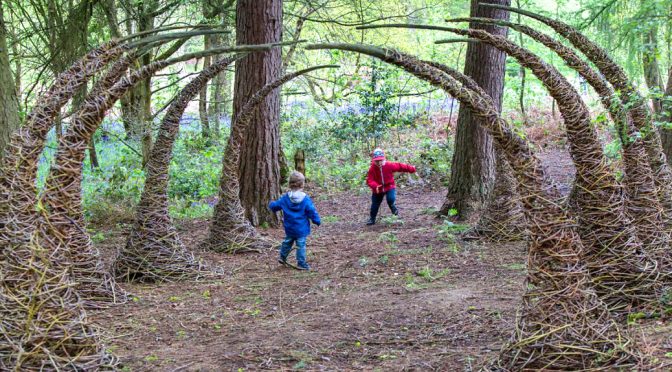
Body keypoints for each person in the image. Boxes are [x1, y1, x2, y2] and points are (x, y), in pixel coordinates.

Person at [269, 171, 321, 270]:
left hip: (290, 227)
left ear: (289, 184)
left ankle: (282, 257)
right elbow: (311, 211)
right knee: (301, 245)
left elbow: (276, 206)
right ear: (302, 184)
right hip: (301, 229)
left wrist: (271, 204)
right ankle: (301, 263)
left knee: (287, 241)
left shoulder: (285, 198)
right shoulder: (305, 199)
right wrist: (316, 220)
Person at [366, 148, 416, 225]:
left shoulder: (389, 165)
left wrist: (411, 168)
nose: (379, 162)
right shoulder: (372, 168)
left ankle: (393, 208)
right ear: (374, 160)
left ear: (384, 159)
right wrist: (375, 186)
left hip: (389, 186)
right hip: (377, 189)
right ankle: (372, 219)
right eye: (377, 161)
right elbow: (370, 180)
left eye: (381, 160)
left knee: (390, 199)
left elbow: (400, 166)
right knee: (375, 205)